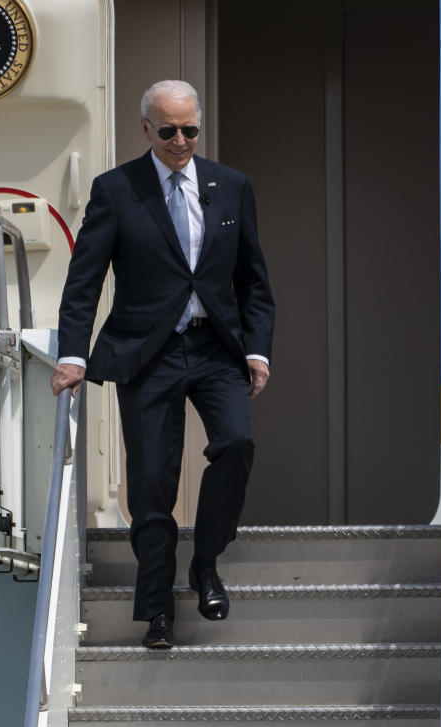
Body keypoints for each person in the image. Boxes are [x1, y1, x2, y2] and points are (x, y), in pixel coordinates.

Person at [51, 79, 275, 649]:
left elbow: (253, 280)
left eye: (190, 129)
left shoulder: (232, 186)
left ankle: (205, 563)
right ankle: (157, 610)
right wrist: (73, 354)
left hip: (215, 348)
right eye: (169, 130)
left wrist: (256, 347)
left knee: (236, 445)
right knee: (153, 480)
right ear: (146, 128)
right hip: (146, 351)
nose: (181, 140)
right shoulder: (116, 189)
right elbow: (85, 281)